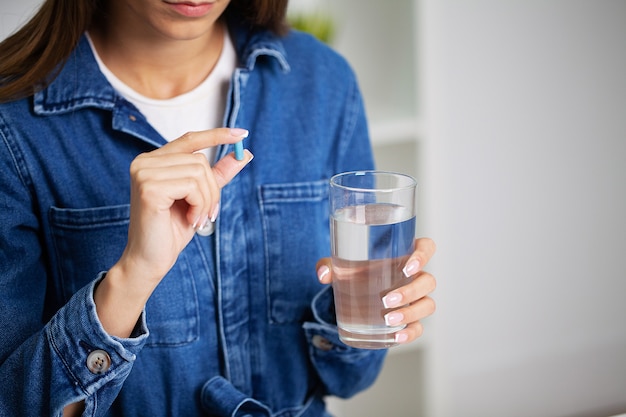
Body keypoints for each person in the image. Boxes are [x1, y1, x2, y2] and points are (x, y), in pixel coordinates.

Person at [0, 0, 437, 416]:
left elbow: (350, 379)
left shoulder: (323, 80)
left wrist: (365, 313)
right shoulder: (12, 122)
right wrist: (132, 277)